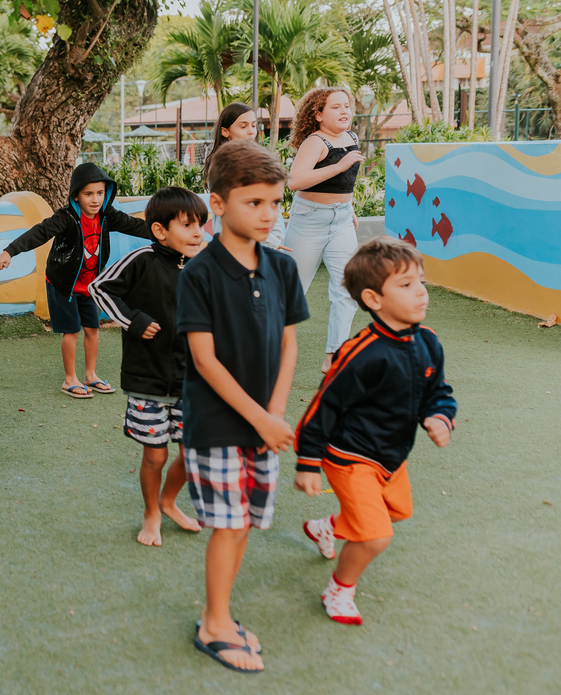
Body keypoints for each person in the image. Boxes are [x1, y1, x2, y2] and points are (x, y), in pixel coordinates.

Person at [176, 140, 309, 673]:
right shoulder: (199, 273)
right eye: (253, 202)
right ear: (218, 203)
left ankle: (221, 616)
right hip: (217, 424)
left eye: (274, 203)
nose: (266, 213)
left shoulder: (282, 268)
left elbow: (289, 344)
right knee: (228, 526)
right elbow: (204, 361)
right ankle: (214, 623)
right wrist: (258, 418)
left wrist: (273, 415)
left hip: (263, 426)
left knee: (246, 523)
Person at [294, 236, 456, 625]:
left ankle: (326, 528)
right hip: (350, 456)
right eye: (405, 285)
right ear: (373, 299)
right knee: (374, 535)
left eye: (420, 282)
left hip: (391, 454)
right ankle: (340, 589)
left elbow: (439, 391)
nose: (420, 293)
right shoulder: (361, 352)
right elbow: (323, 406)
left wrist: (439, 416)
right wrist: (307, 461)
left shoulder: (428, 342)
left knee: (397, 511)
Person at [89, 187, 207, 547]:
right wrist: (133, 320)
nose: (198, 232)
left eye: (201, 224)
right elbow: (100, 288)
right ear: (160, 230)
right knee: (155, 456)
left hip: (194, 381)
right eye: (188, 225)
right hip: (148, 381)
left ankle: (169, 503)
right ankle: (151, 512)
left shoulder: (205, 266)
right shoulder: (142, 259)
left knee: (191, 455)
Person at [0, 163, 151, 399]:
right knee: (72, 331)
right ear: (76, 195)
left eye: (100, 193)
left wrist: (164, 233)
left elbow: (135, 226)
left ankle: (90, 375)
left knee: (93, 329)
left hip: (89, 286)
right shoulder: (65, 218)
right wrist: (9, 251)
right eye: (88, 194)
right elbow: (39, 233)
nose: (95, 199)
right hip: (63, 284)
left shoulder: (107, 216)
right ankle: (70, 380)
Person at [285, 88, 365, 373]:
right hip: (309, 222)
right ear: (318, 115)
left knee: (347, 289)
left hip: (341, 220)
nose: (344, 111)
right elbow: (295, 181)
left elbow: (344, 181)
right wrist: (340, 164)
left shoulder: (351, 138)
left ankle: (335, 355)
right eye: (335, 107)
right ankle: (266, 348)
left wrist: (348, 208)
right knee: (291, 292)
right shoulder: (315, 141)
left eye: (346, 106)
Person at [203, 103, 287, 251]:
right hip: (236, 244)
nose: (251, 132)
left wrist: (277, 236)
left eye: (254, 125)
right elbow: (238, 211)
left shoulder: (261, 159)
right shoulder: (222, 166)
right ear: (225, 131)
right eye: (243, 126)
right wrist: (272, 240)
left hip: (269, 239)